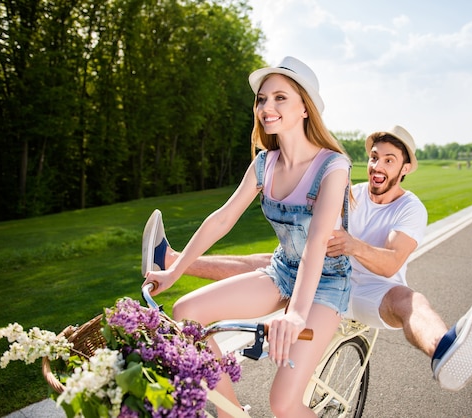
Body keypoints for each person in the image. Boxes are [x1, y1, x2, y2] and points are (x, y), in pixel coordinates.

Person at [143, 125, 472, 394]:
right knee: (272, 259)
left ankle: (445, 349)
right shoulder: (351, 189)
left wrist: (352, 245)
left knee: (409, 300)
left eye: (389, 160)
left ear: (405, 168)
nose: (378, 166)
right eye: (374, 158)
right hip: (325, 275)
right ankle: (172, 261)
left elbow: (391, 264)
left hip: (372, 291)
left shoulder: (410, 209)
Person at [143, 56, 353, 417]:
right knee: (186, 312)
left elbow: (318, 242)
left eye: (280, 98)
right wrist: (174, 272)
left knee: (284, 405)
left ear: (305, 107)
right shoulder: (264, 164)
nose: (266, 107)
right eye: (262, 99)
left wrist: (296, 316)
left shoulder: (333, 166)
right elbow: (222, 219)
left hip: (326, 284)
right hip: (282, 271)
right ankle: (231, 413)